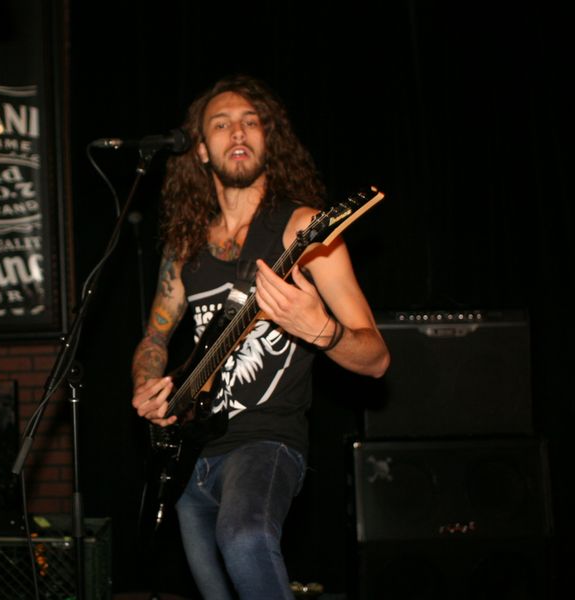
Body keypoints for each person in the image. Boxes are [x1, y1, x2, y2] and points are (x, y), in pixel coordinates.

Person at [130, 74, 390, 600]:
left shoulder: (304, 231)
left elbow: (377, 359)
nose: (238, 132)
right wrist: (147, 385)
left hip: (266, 441)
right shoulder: (184, 247)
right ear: (201, 150)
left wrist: (322, 330)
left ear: (268, 139)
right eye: (221, 124)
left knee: (244, 537)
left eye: (251, 122)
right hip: (188, 455)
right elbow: (154, 338)